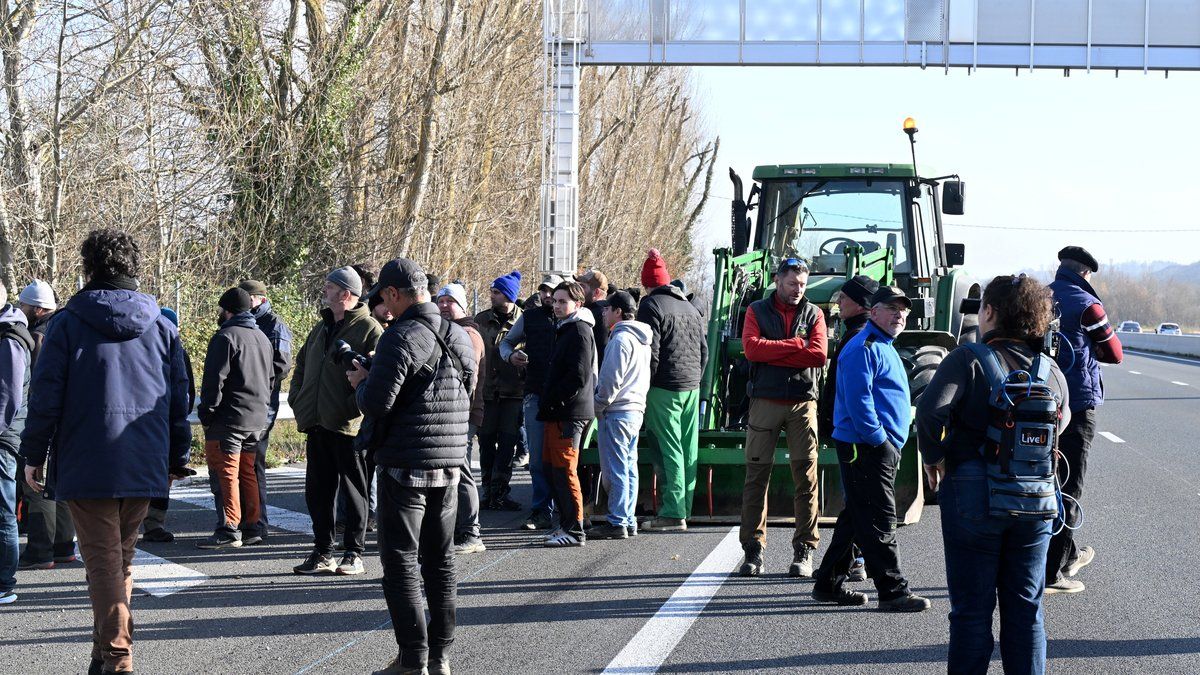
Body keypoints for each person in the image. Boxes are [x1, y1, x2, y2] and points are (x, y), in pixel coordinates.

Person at [21, 229, 192, 670]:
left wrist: (33, 455)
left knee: (102, 564)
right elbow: (178, 400)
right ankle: (104, 654)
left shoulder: (65, 324)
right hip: (144, 455)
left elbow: (45, 397)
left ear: (89, 268)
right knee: (120, 561)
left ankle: (116, 658)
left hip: (88, 457)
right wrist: (177, 457)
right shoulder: (163, 327)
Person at [917, 275, 1070, 674]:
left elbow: (931, 411)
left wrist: (934, 456)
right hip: (1036, 499)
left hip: (973, 491)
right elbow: (1062, 422)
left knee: (971, 612)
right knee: (1027, 611)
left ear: (990, 312)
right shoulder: (1051, 370)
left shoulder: (967, 358)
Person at [351, 258, 475, 675]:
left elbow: (376, 403)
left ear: (394, 293)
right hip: (450, 464)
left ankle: (413, 659)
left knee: (402, 562)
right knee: (441, 563)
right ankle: (440, 658)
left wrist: (360, 383)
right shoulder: (458, 334)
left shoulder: (399, 336)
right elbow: (465, 390)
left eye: (383, 299)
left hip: (405, 465)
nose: (382, 308)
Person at [810, 285, 931, 612]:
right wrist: (880, 441)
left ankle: (827, 584)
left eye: (903, 310)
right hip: (866, 446)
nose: (900, 315)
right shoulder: (863, 347)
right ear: (873, 311)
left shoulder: (883, 344)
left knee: (857, 517)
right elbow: (859, 401)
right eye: (892, 308)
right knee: (880, 519)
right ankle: (893, 590)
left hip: (876, 446)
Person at [736, 258, 827, 578]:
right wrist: (796, 346)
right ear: (778, 281)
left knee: (807, 477)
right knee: (756, 477)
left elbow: (818, 354)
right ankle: (753, 549)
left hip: (803, 403)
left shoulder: (815, 313)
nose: (798, 291)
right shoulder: (756, 311)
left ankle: (804, 550)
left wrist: (776, 348)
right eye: (792, 284)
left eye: (802, 285)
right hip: (764, 401)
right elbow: (751, 349)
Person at [290, 266, 383, 576]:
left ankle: (354, 553)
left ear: (346, 293)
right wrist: (298, 399)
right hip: (317, 423)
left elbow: (376, 376)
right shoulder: (321, 327)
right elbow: (301, 366)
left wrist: (348, 407)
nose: (324, 291)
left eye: (330, 287)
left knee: (355, 491)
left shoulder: (369, 329)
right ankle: (322, 551)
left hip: (349, 426)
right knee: (318, 491)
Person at [1045, 246, 1121, 594]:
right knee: (1069, 486)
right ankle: (1053, 574)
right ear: (1086, 273)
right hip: (1076, 406)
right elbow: (1113, 353)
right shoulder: (1088, 305)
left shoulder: (1040, 298)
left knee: (1042, 481)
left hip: (1036, 403)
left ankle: (1068, 552)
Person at [196, 287, 274, 549]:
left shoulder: (225, 337)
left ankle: (229, 528)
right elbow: (271, 379)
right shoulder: (262, 337)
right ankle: (253, 527)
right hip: (257, 418)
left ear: (228, 310)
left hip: (228, 419)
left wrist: (207, 412)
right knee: (248, 473)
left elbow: (214, 380)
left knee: (225, 473)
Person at [636, 249, 707, 531]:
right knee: (688, 448)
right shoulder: (689, 306)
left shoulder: (650, 305)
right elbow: (704, 350)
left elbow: (650, 351)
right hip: (691, 386)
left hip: (664, 386)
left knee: (668, 449)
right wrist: (696, 380)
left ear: (647, 284)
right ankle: (684, 507)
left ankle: (672, 512)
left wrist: (645, 385)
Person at [816, 275, 880, 583]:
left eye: (844, 297)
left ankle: (857, 560)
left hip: (855, 436)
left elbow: (857, 396)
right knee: (855, 503)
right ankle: (846, 563)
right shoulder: (858, 334)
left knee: (856, 503)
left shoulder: (858, 340)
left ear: (859, 303)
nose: (838, 302)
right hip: (855, 433)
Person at [15, 280, 76, 570]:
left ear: (38, 309)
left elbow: (39, 388)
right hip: (69, 420)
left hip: (44, 418)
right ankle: (64, 545)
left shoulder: (39, 336)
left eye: (24, 306)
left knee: (35, 483)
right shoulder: (67, 327)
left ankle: (40, 551)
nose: (21, 310)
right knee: (59, 481)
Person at [500, 274, 564, 531]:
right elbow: (506, 342)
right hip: (535, 393)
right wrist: (511, 355)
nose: (548, 296)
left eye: (553, 291)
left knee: (564, 458)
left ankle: (567, 508)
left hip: (565, 397)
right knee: (537, 459)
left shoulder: (574, 319)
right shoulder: (530, 317)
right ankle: (540, 510)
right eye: (544, 290)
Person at [537, 280, 596, 547]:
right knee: (551, 469)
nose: (557, 305)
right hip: (557, 412)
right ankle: (565, 524)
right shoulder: (564, 328)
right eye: (555, 300)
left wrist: (555, 401)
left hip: (569, 413)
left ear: (578, 304)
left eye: (563, 301)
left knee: (565, 470)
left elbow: (579, 376)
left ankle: (575, 529)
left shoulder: (580, 330)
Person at [590, 291, 651, 540]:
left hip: (617, 412)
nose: (603, 313)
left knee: (615, 468)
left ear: (617, 312)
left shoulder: (620, 340)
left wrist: (597, 405)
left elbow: (609, 381)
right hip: (635, 409)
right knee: (629, 467)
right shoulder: (642, 340)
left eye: (607, 309)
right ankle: (628, 519)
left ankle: (616, 521)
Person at [238, 279, 292, 545]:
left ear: (257, 298)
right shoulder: (241, 320)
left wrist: (254, 378)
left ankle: (258, 524)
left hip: (263, 405)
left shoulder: (274, 325)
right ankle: (244, 520)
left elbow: (282, 365)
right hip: (243, 404)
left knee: (253, 463)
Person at [436, 283, 486, 555]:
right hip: (453, 412)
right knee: (454, 470)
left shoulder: (468, 334)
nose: (444, 305)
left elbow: (469, 379)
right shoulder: (449, 332)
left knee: (461, 469)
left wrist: (460, 409)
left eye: (450, 301)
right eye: (440, 301)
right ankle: (457, 529)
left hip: (464, 413)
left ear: (463, 306)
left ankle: (472, 532)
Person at [139, 308, 195, 545]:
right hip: (165, 424)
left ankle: (143, 523)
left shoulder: (145, 348)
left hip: (147, 424)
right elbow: (186, 393)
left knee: (148, 476)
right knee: (163, 476)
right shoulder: (177, 351)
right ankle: (154, 524)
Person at [474, 271, 525, 511]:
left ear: (508, 295)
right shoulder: (481, 320)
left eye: (496, 292)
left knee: (507, 444)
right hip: (486, 392)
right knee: (485, 442)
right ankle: (486, 491)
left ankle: (501, 491)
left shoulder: (524, 321)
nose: (491, 296)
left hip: (513, 392)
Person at [0, 285, 32, 604]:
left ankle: (5, 583)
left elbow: (9, 398)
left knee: (3, 510)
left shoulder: (9, 339)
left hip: (3, 437)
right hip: (6, 433)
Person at [577, 269, 610, 367]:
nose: (577, 290)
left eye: (582, 286)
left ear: (596, 292)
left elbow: (601, 350)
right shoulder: (602, 311)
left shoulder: (599, 314)